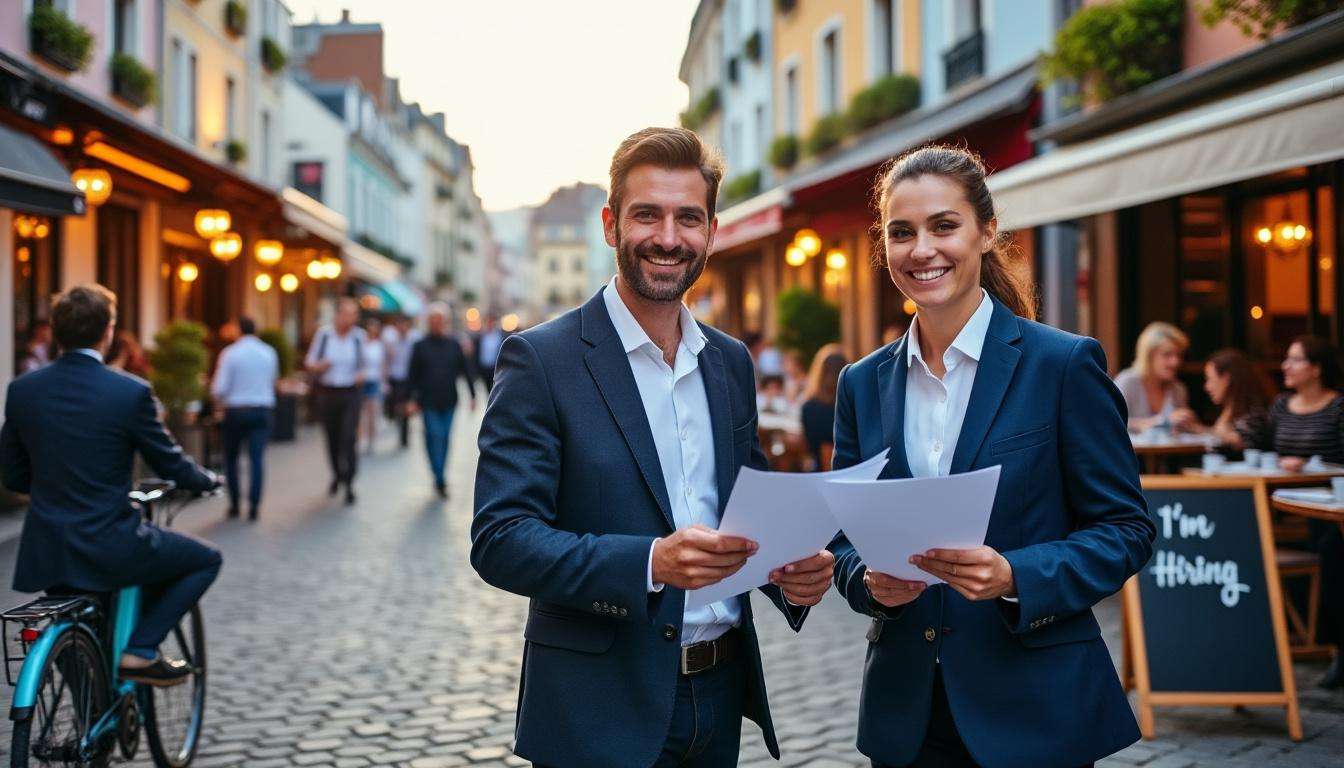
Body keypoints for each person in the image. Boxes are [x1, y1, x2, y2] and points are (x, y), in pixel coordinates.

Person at [472, 127, 833, 768]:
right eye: (648, 215)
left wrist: (792, 574)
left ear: (711, 232)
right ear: (611, 224)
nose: (668, 238)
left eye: (687, 218)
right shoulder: (541, 359)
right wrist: (650, 563)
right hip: (597, 708)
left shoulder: (729, 362)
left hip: (720, 696)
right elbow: (500, 538)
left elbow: (749, 515)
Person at [826, 145, 1155, 767]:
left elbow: (1127, 531)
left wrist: (1015, 575)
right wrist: (865, 581)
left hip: (1035, 708)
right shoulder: (860, 384)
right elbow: (844, 535)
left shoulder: (1062, 365)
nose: (922, 249)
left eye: (944, 226)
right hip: (908, 715)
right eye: (902, 233)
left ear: (986, 233)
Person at [0, 285, 222, 686]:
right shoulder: (128, 392)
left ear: (55, 331)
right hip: (110, 542)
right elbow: (168, 460)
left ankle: (87, 728)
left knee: (69, 627)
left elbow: (13, 474)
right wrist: (205, 480)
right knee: (205, 559)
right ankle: (140, 651)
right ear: (108, 331)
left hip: (49, 545)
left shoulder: (23, 390)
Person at [1255, 335, 1344, 688]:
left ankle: (1334, 647)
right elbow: (1263, 448)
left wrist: (1306, 463)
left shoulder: (1338, 407)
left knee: (1330, 548)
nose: (1285, 366)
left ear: (1316, 369)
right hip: (1288, 509)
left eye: (1295, 360)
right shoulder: (1280, 405)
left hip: (1327, 505)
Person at [211, 316, 279, 521]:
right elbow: (273, 380)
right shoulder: (269, 352)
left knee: (231, 459)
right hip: (261, 409)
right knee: (257, 459)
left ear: (239, 330)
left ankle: (234, 504)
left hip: (237, 411)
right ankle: (254, 505)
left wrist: (218, 404)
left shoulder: (230, 354)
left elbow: (219, 387)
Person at [406, 304, 477, 498]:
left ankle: (440, 474)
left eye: (440, 320)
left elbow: (466, 370)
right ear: (428, 322)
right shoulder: (420, 346)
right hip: (427, 401)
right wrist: (409, 399)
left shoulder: (454, 345)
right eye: (433, 320)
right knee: (433, 435)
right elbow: (412, 375)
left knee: (444, 438)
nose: (437, 323)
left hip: (449, 400)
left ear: (445, 322)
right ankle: (438, 476)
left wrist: (472, 395)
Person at [304, 298, 366, 505]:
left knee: (348, 438)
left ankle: (349, 482)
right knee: (332, 438)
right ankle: (337, 473)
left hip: (350, 394)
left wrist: (362, 375)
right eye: (347, 314)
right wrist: (319, 367)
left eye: (354, 314)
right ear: (337, 315)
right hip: (328, 393)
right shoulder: (324, 335)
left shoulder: (359, 337)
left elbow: (366, 366)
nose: (351, 319)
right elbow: (309, 363)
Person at [1113, 322, 1198, 433]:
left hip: (1169, 450)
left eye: (1179, 355)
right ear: (1148, 356)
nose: (1175, 362)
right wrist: (1162, 421)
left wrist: (1189, 424)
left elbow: (1183, 431)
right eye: (1167, 355)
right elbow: (1110, 421)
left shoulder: (1178, 389)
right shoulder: (1128, 381)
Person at [1196, 348, 1268, 451]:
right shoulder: (1228, 409)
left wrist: (1201, 429)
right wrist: (1195, 428)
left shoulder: (1254, 413)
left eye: (1210, 379)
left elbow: (1238, 441)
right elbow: (1220, 435)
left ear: (1226, 379)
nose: (1207, 387)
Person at [800, 343, 847, 471]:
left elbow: (808, 448)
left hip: (819, 474)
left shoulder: (809, 408)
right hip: (851, 472)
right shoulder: (851, 404)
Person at [382, 315, 418, 448]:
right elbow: (385, 361)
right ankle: (399, 425)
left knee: (405, 407)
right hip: (394, 378)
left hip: (408, 379)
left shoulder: (414, 340)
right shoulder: (390, 341)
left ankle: (404, 435)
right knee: (396, 407)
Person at [358, 316, 387, 454]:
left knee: (372, 412)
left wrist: (384, 382)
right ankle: (361, 438)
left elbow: (383, 365)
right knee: (362, 412)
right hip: (362, 380)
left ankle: (371, 440)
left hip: (374, 380)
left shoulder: (380, 345)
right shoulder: (362, 344)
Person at [476, 315, 506, 392]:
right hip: (484, 367)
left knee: (495, 389)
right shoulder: (482, 336)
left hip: (496, 367)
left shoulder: (499, 336)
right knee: (487, 390)